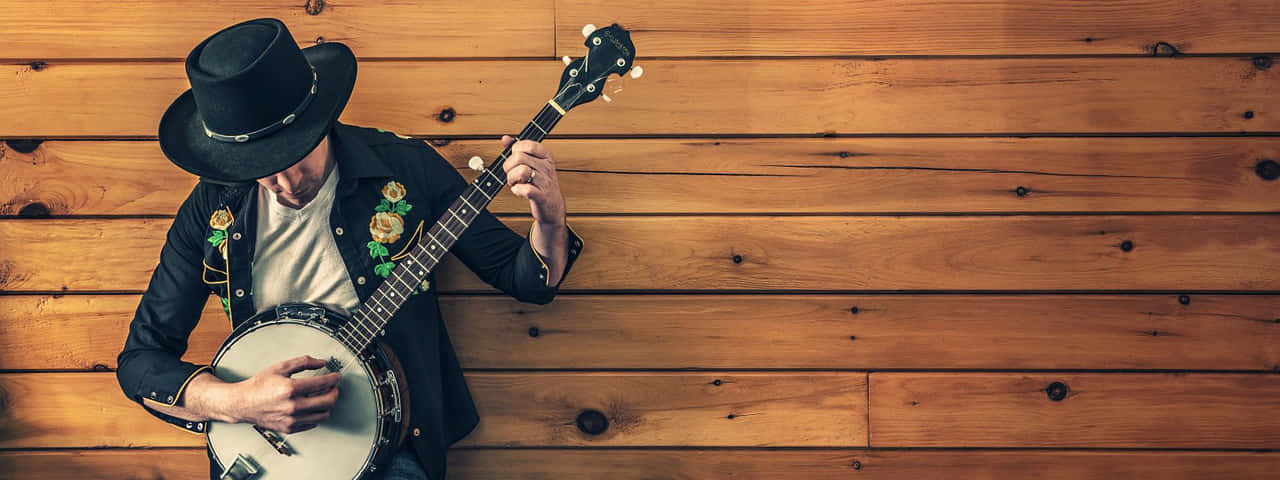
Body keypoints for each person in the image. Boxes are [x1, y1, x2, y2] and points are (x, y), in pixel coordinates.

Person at [115, 17, 584, 480]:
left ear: (319, 118)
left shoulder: (403, 166)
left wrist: (549, 215)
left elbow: (525, 279)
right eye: (258, 167)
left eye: (293, 155)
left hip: (391, 445)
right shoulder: (212, 206)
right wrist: (237, 403)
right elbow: (141, 360)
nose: (284, 184)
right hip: (262, 457)